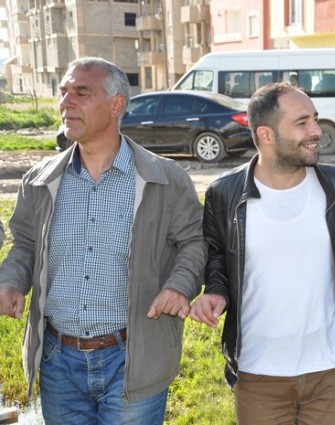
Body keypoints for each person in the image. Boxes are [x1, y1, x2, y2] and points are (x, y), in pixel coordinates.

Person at [0, 57, 205, 424]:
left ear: (116, 105)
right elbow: (26, 243)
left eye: (81, 92)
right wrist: (12, 280)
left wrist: (179, 286)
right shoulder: (39, 180)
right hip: (58, 360)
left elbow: (195, 241)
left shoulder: (165, 179)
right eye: (63, 92)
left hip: (133, 356)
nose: (66, 102)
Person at [189, 82, 335, 424]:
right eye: (302, 122)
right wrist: (216, 292)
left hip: (328, 369)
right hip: (258, 371)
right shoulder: (225, 193)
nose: (316, 131)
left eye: (315, 119)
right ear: (266, 135)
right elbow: (218, 255)